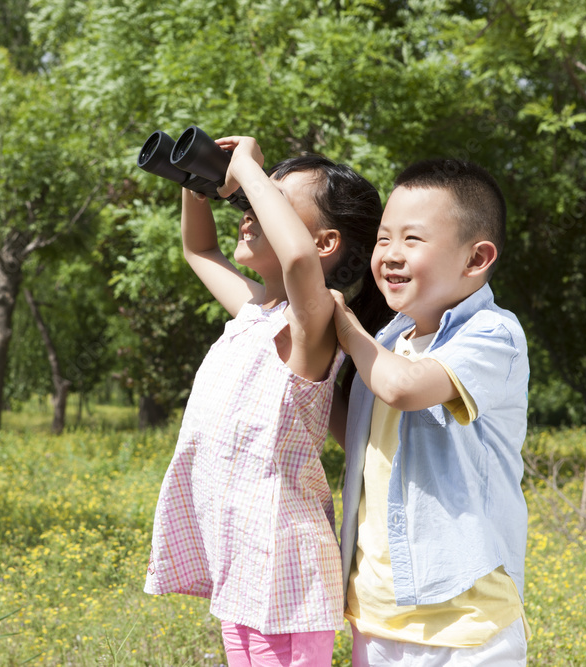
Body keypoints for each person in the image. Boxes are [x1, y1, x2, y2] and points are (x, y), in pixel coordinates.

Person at [144, 135, 388, 666]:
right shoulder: (254, 312)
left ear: (326, 243)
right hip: (244, 565)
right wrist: (197, 180)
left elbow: (298, 259)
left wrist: (249, 170)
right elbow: (198, 250)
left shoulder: (314, 323)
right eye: (249, 204)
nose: (249, 214)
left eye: (268, 204)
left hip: (285, 571)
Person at [329, 158, 531, 666]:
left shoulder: (492, 334)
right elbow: (363, 435)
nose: (391, 255)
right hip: (375, 618)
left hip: (467, 626)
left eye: (412, 240)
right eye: (382, 240)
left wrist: (344, 328)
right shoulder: (389, 341)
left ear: (476, 258)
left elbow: (403, 389)